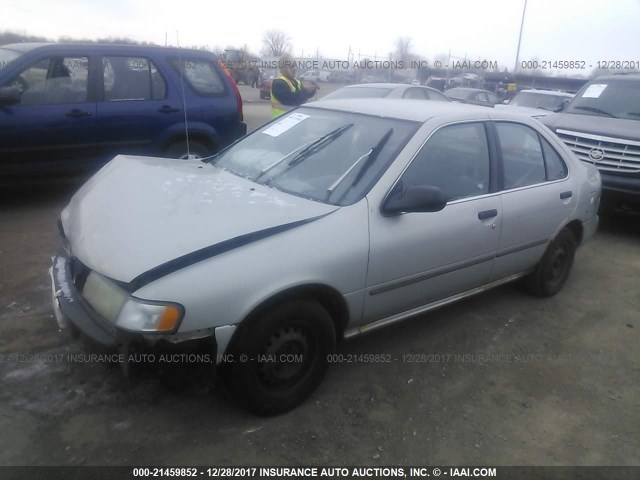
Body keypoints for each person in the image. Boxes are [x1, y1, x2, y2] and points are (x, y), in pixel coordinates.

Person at [270, 54, 318, 118]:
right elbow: (292, 100)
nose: (294, 69)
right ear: (283, 68)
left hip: (296, 120)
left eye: (294, 66)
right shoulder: (278, 83)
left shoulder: (296, 82)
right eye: (291, 66)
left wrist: (312, 90)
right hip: (282, 122)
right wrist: (306, 90)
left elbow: (302, 96)